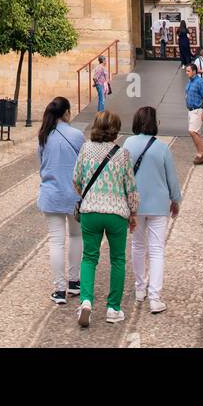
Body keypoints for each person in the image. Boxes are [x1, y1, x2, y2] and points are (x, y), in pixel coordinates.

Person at [72, 110, 138, 328]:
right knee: (117, 259)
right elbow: (130, 188)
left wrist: (87, 196)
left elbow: (76, 179)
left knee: (89, 258)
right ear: (115, 130)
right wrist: (133, 212)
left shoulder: (85, 149)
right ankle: (113, 308)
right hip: (117, 213)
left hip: (91, 211)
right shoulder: (123, 154)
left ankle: (86, 302)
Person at [123, 105, 181, 314]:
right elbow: (171, 178)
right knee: (157, 250)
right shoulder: (162, 148)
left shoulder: (128, 144)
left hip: (135, 204)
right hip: (158, 204)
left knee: (138, 246)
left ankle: (140, 288)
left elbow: (123, 173)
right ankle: (155, 298)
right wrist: (175, 199)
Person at [37, 96, 85, 305]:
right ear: (66, 113)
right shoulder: (76, 135)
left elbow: (42, 163)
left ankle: (59, 289)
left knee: (56, 241)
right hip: (74, 194)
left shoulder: (43, 136)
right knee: (76, 237)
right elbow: (83, 164)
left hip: (51, 193)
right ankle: (74, 282)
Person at [184, 62, 203, 164]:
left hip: (197, 110)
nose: (187, 73)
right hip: (191, 110)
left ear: (194, 71)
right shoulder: (190, 81)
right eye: (186, 71)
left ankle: (200, 154)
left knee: (192, 131)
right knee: (196, 133)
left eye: (188, 71)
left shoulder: (200, 82)